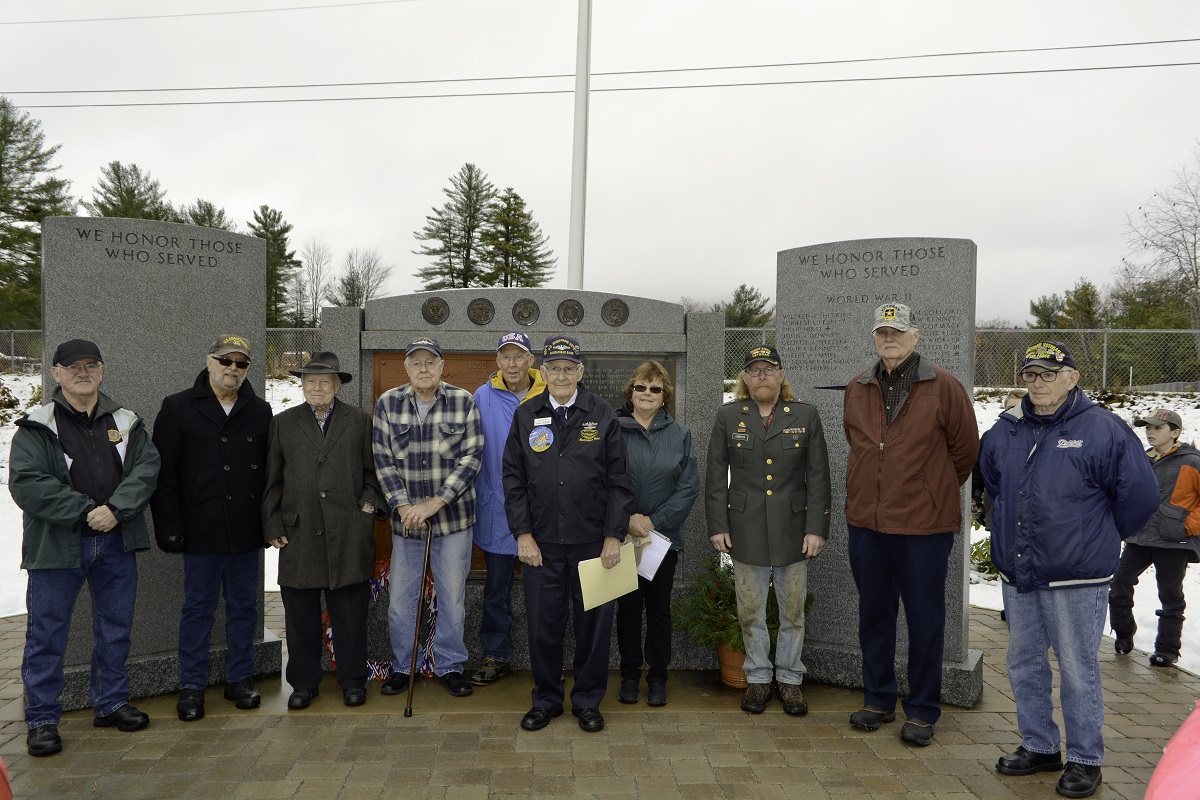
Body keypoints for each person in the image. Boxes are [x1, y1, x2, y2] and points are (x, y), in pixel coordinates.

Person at [980, 341, 1158, 798]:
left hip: (1077, 578)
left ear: (1071, 378)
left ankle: (1085, 758)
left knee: (1078, 669)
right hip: (1020, 572)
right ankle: (1039, 745)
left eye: (1048, 373)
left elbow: (1138, 498)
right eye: (1030, 374)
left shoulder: (1104, 429)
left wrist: (1093, 536)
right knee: (1023, 662)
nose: (1037, 382)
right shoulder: (1006, 429)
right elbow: (992, 484)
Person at [10, 339, 159, 757]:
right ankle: (42, 720)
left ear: (102, 371)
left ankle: (110, 703)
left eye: (91, 365)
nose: (82, 372)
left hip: (116, 543)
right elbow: (28, 483)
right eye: (72, 366)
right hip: (58, 549)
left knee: (115, 630)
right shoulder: (37, 425)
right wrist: (85, 511)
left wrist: (116, 509)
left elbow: (147, 469)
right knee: (46, 635)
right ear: (55, 373)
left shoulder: (126, 422)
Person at [843, 303, 978, 746]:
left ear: (915, 335)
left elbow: (965, 452)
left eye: (898, 332)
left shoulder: (944, 387)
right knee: (874, 617)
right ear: (875, 337)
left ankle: (921, 710)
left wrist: (927, 488)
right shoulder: (858, 387)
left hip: (923, 528)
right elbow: (861, 448)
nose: (890, 339)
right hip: (868, 524)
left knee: (924, 621)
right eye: (883, 332)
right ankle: (878, 698)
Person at [502, 334, 634, 733]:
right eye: (554, 368)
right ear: (543, 373)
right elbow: (513, 479)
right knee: (543, 624)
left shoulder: (602, 414)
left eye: (569, 368)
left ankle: (588, 701)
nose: (561, 375)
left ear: (580, 372)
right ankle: (545, 700)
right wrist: (522, 534)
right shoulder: (527, 414)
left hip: (593, 542)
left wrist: (614, 536)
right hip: (541, 544)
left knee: (594, 625)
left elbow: (619, 481)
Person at [151, 334, 273, 722]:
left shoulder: (260, 411)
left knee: (244, 608)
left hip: (244, 531)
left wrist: (269, 525)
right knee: (198, 609)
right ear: (209, 361)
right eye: (226, 361)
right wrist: (168, 525)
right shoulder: (177, 407)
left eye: (241, 364)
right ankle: (192, 686)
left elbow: (271, 476)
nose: (232, 369)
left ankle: (239, 679)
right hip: (200, 530)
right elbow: (164, 474)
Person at [706, 344, 831, 716]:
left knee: (793, 613)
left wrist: (816, 528)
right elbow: (715, 477)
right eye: (754, 370)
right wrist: (718, 526)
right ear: (745, 378)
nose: (762, 375)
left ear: (780, 375)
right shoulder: (730, 416)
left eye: (769, 369)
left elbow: (818, 477)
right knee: (750, 612)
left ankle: (790, 680)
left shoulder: (805, 415)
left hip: (794, 531)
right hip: (745, 530)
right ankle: (759, 678)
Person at [262, 351, 387, 709]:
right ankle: (303, 682)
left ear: (337, 385)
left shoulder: (360, 421)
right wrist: (272, 524)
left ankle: (352, 681)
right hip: (298, 534)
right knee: (300, 617)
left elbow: (374, 473)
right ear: (302, 385)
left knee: (350, 616)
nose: (317, 387)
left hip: (348, 532)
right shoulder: (283, 423)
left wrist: (367, 508)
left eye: (324, 381)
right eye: (310, 381)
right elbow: (271, 480)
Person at [372, 336, 484, 698]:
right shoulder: (388, 404)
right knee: (401, 601)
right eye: (415, 362)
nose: (423, 368)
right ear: (406, 368)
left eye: (430, 362)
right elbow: (382, 459)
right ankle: (406, 666)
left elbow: (471, 459)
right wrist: (404, 506)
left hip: (452, 522)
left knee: (452, 599)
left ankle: (450, 666)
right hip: (406, 524)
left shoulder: (463, 402)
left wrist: (435, 503)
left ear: (441, 367)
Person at [615, 361, 700, 707]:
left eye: (655, 389)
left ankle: (659, 675)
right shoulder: (612, 430)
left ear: (665, 396)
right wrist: (627, 519)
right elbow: (601, 480)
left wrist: (652, 521)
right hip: (621, 537)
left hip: (662, 540)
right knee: (629, 609)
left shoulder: (680, 434)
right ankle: (631, 674)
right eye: (640, 387)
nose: (647, 394)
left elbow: (688, 486)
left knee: (659, 609)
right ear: (630, 393)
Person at [468, 331, 546, 687]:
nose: (513, 364)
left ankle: (547, 655)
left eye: (519, 356)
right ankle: (496, 654)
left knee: (545, 588)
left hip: (544, 511)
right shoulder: (481, 396)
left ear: (531, 360)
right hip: (497, 509)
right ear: (497, 362)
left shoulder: (550, 394)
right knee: (495, 589)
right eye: (506, 357)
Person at [1109, 408, 1200, 669]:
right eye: (1147, 428)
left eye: (1157, 428)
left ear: (1175, 432)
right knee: (1119, 584)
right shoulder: (1140, 459)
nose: (1150, 432)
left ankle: (1167, 650)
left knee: (1170, 596)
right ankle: (1124, 634)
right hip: (1140, 536)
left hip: (1174, 541)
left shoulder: (1193, 462)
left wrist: (1186, 526)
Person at [971, 389, 1026, 529]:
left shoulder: (1039, 437)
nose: (1014, 412)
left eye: (1019, 407)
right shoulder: (991, 437)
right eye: (1010, 408)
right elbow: (977, 472)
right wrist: (975, 502)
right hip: (997, 513)